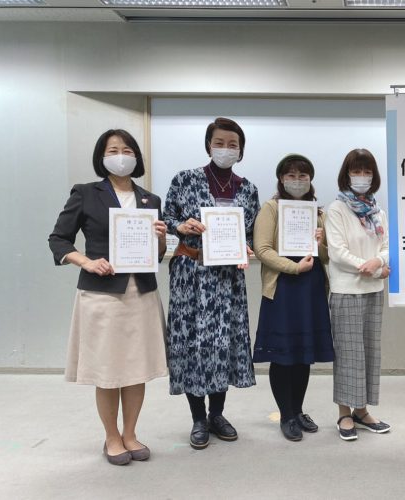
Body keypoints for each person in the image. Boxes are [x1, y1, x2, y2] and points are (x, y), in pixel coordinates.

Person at [48, 129, 168, 465]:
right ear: (102, 157)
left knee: (137, 367)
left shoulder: (150, 200)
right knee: (108, 369)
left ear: (136, 157)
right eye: (113, 149)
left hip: (141, 292)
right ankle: (111, 437)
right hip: (102, 293)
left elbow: (155, 256)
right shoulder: (86, 193)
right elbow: (58, 239)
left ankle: (131, 434)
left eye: (127, 149)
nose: (121, 155)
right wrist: (86, 260)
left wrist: (161, 238)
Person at [163, 117, 260, 450]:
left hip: (227, 278)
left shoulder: (247, 189)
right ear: (209, 145)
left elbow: (250, 233)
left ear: (241, 150)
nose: (226, 149)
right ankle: (197, 419)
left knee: (224, 345)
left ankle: (217, 413)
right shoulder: (185, 180)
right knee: (191, 345)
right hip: (190, 276)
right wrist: (181, 225)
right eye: (220, 143)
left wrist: (248, 246)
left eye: (233, 144)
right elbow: (166, 219)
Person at [252, 154, 334, 442]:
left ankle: (298, 410)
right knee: (283, 355)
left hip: (311, 288)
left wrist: (323, 242)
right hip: (284, 287)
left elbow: (326, 257)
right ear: (281, 179)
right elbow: (261, 249)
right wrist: (293, 267)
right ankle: (286, 414)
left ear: (310, 179)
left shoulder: (318, 212)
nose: (297, 181)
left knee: (303, 355)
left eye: (303, 175)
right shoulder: (271, 208)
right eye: (291, 175)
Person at [325, 148, 391, 442]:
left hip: (373, 291)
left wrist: (379, 262)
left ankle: (362, 411)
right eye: (356, 171)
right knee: (348, 354)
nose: (362, 177)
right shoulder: (336, 209)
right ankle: (343, 413)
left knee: (369, 353)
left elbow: (387, 247)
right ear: (346, 175)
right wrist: (372, 267)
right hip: (347, 291)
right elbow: (338, 253)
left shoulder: (379, 212)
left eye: (367, 172)